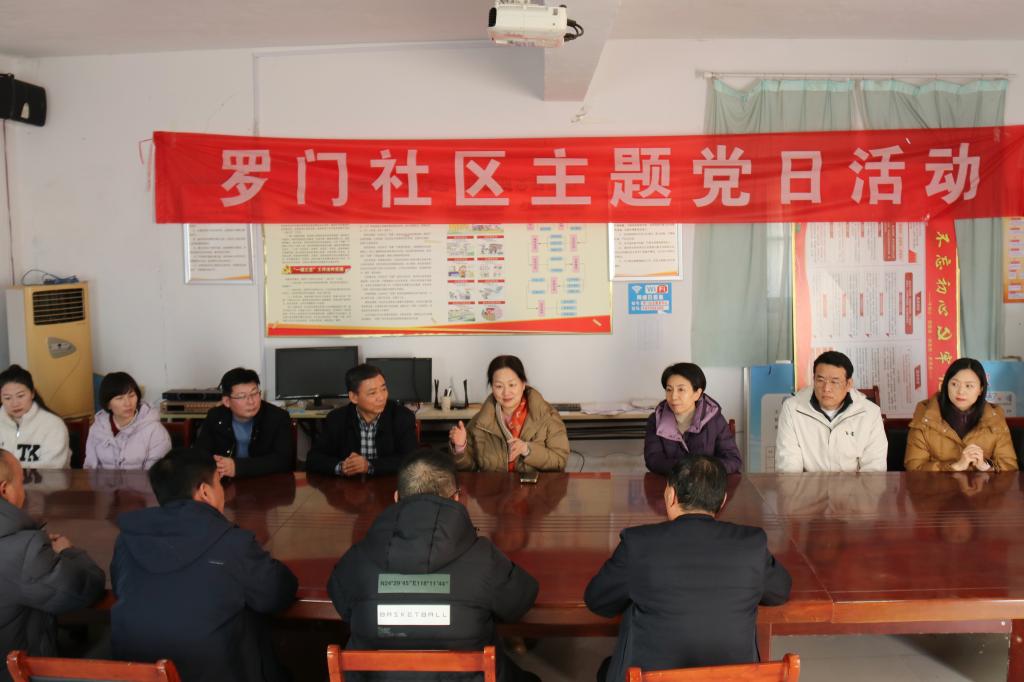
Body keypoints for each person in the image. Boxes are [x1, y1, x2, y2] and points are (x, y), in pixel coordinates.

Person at [327, 448, 541, 682]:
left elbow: (343, 606)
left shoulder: (358, 559)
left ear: (397, 498)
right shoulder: (484, 558)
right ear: (457, 498)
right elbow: (521, 601)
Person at [584, 455, 791, 682]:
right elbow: (780, 591)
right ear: (722, 501)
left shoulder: (639, 544)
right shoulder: (751, 544)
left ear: (670, 495)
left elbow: (598, 600)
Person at [111, 448, 298, 682]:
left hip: (137, 675)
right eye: (219, 483)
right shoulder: (231, 542)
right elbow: (278, 593)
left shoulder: (127, 539)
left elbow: (120, 588)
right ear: (205, 492)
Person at [0, 449, 105, 682]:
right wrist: (68, 551)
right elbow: (86, 588)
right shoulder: (25, 552)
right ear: (5, 490)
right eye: (21, 483)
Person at [449, 355, 568, 472]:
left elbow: (560, 461)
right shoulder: (480, 422)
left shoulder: (547, 416)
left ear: (523, 384)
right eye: (499, 386)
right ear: (492, 388)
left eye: (512, 385)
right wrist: (460, 447)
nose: (506, 392)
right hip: (495, 485)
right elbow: (468, 470)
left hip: (537, 485)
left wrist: (527, 450)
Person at [775, 351, 887, 472]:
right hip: (807, 484)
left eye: (834, 382)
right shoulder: (792, 409)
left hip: (855, 485)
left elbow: (874, 470)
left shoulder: (870, 413)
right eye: (820, 380)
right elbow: (788, 468)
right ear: (813, 379)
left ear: (849, 384)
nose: (826, 388)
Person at [905, 358, 1019, 472]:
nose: (960, 391)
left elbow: (1010, 467)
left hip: (981, 483)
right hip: (939, 484)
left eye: (969, 386)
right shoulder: (925, 414)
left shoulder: (994, 417)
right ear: (946, 385)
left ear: (981, 389)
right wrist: (955, 466)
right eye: (954, 384)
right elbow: (913, 467)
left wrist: (986, 466)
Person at [306, 363, 418, 477]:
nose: (381, 397)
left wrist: (369, 466)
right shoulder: (337, 419)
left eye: (383, 389)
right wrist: (343, 467)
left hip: (388, 483)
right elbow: (313, 458)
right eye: (372, 393)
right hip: (348, 485)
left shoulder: (402, 416)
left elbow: (411, 460)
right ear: (354, 397)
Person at [194, 367, 294, 478]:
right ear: (227, 401)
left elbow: (284, 460)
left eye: (254, 393)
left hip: (266, 481)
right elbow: (200, 454)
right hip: (225, 481)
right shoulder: (215, 416)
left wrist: (237, 467)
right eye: (242, 396)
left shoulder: (278, 417)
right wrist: (218, 465)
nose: (251, 401)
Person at [644, 362, 742, 475]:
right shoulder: (656, 419)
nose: (673, 397)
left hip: (707, 483)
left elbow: (733, 459)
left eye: (681, 389)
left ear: (697, 394)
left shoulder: (714, 419)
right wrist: (686, 469)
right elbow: (653, 460)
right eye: (669, 390)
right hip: (670, 483)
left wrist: (704, 469)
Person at [84, 371, 171, 470]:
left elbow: (156, 474)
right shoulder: (97, 429)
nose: (128, 403)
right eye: (119, 398)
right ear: (108, 405)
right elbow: (90, 468)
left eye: (131, 395)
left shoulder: (155, 430)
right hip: (104, 481)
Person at [0, 364, 71, 469]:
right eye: (7, 398)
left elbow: (53, 466)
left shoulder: (53, 424)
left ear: (32, 393)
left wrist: (10, 471)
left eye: (20, 396)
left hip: (48, 479)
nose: (15, 403)